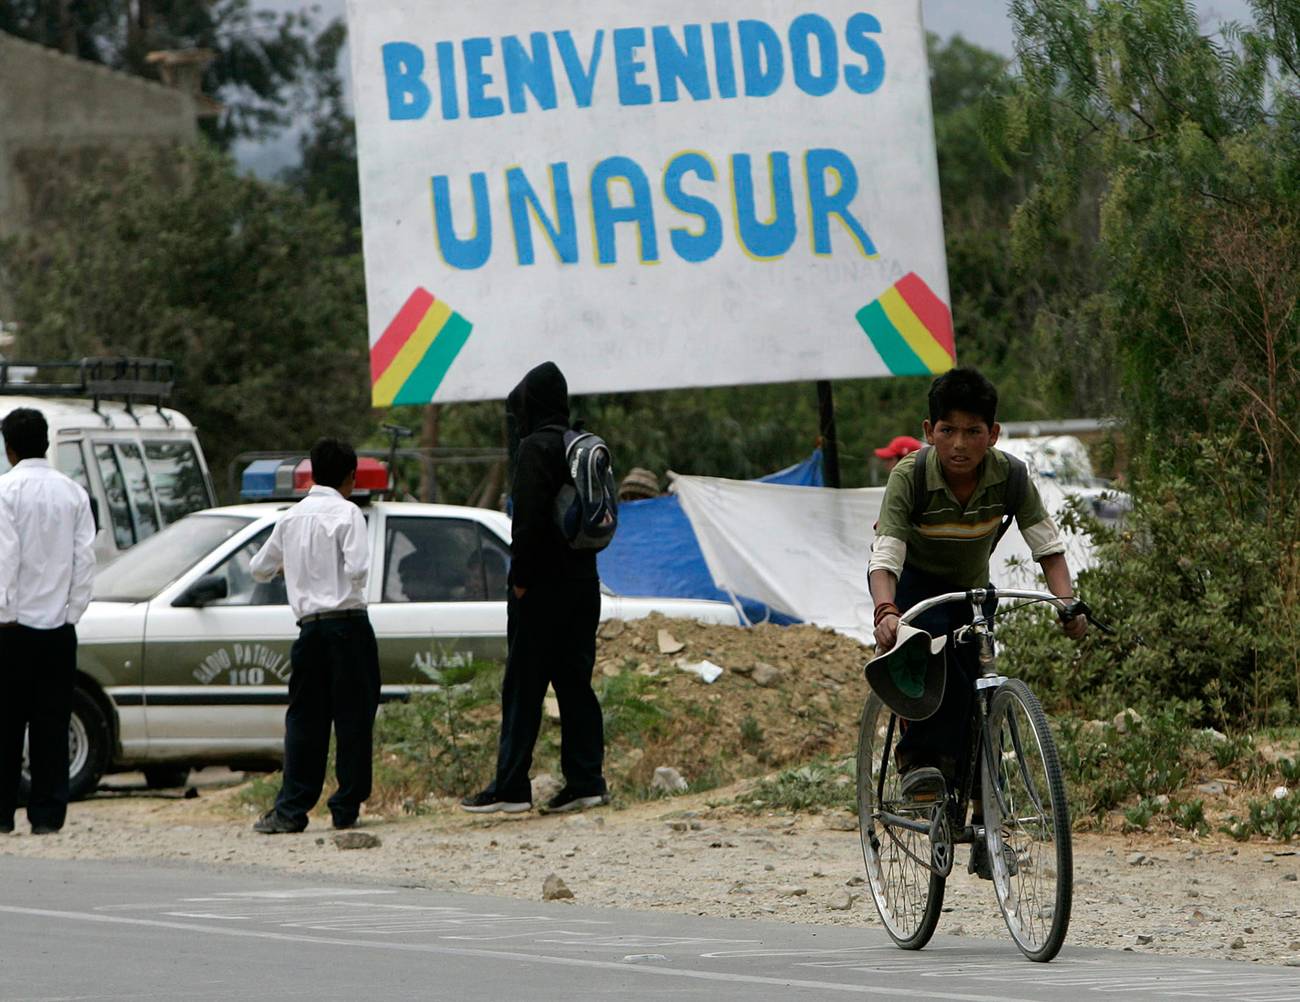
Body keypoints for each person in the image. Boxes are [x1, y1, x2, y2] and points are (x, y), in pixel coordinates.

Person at [867, 368, 1086, 877]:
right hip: (912, 588)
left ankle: (990, 818)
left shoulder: (1010, 477)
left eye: (972, 432)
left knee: (982, 695)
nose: (959, 444)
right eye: (948, 430)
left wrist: (1067, 603)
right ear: (929, 430)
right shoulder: (911, 476)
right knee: (936, 667)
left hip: (971, 591)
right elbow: (886, 557)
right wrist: (886, 611)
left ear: (994, 434)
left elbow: (1048, 549)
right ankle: (918, 765)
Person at [461, 361, 609, 815]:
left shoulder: (534, 449)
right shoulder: (577, 445)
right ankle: (586, 782)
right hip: (584, 585)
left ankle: (510, 787)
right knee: (575, 685)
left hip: (541, 590)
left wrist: (520, 582)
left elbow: (526, 524)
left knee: (523, 687)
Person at [249, 438, 379, 834]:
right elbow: (358, 568)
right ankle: (345, 807)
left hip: (309, 630)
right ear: (350, 477)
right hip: (349, 624)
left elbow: (258, 567)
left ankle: (291, 810)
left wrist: (296, 569)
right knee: (354, 717)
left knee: (305, 720)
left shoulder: (291, 518)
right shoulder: (348, 513)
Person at [0, 408, 96, 835]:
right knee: (51, 724)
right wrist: (71, 613)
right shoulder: (73, 494)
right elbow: (84, 561)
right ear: (46, 441)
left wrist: (4, 613)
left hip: (12, 627)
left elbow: (6, 558)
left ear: (9, 447)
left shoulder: (5, 492)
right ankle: (48, 815)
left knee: (5, 723)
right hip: (59, 628)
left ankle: (2, 815)